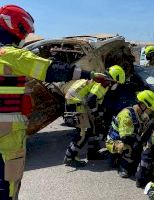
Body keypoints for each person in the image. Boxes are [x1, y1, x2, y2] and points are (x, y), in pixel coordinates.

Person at [0, 5, 110, 200]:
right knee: (8, 183)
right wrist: (91, 74)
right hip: (7, 133)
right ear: (17, 28)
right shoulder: (11, 55)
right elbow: (53, 70)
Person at [63, 65, 126, 167]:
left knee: (94, 129)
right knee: (82, 134)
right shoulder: (102, 83)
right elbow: (91, 100)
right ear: (113, 80)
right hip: (76, 103)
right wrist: (96, 114)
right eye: (116, 83)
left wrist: (98, 114)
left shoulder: (101, 79)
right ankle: (69, 157)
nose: (116, 85)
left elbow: (95, 100)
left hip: (77, 101)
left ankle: (93, 153)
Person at [106, 90, 154, 178]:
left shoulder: (142, 115)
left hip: (127, 138)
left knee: (139, 146)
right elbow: (126, 138)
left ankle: (126, 161)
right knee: (133, 146)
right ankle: (122, 166)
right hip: (114, 142)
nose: (150, 111)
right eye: (150, 109)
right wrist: (139, 141)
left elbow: (142, 133)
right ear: (143, 105)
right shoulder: (127, 115)